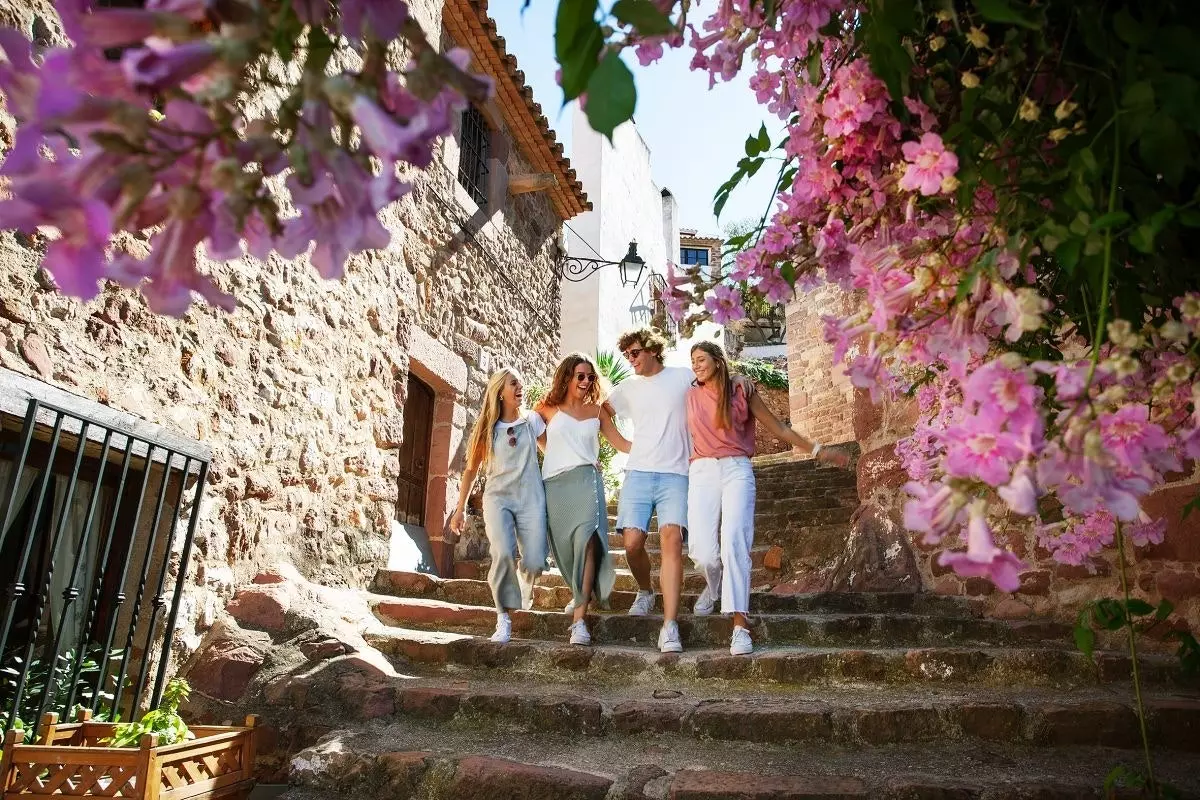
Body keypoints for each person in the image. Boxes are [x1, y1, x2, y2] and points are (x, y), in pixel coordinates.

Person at [686, 341, 850, 656]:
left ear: (718, 361)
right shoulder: (689, 393)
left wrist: (818, 451)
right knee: (703, 552)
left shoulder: (742, 392)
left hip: (737, 469)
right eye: (692, 361)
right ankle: (714, 582)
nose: (696, 365)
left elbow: (778, 428)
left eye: (701, 359)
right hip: (701, 472)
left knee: (735, 541)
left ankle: (739, 625)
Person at [607, 327, 694, 653]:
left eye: (635, 353)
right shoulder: (628, 387)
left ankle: (670, 625)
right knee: (631, 544)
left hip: (676, 474)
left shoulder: (683, 377)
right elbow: (603, 412)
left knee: (672, 541)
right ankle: (645, 591)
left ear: (653, 349)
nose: (630, 359)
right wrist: (622, 444)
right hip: (639, 473)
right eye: (626, 355)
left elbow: (713, 391)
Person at [535, 353, 630, 646]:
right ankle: (581, 591)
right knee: (566, 547)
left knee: (589, 540)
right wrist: (555, 453)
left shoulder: (597, 412)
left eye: (590, 377)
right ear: (566, 377)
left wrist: (660, 444)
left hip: (588, 480)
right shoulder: (546, 408)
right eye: (580, 376)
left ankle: (579, 621)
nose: (586, 381)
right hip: (556, 484)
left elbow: (623, 444)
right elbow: (535, 437)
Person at [449, 367, 547, 644]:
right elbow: (470, 470)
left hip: (531, 498)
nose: (520, 387)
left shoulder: (533, 421)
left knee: (535, 561)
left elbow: (551, 451)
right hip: (498, 498)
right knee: (503, 552)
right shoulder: (487, 429)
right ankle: (503, 617)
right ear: (500, 392)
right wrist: (460, 508)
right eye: (513, 383)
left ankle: (525, 589)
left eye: (520, 382)